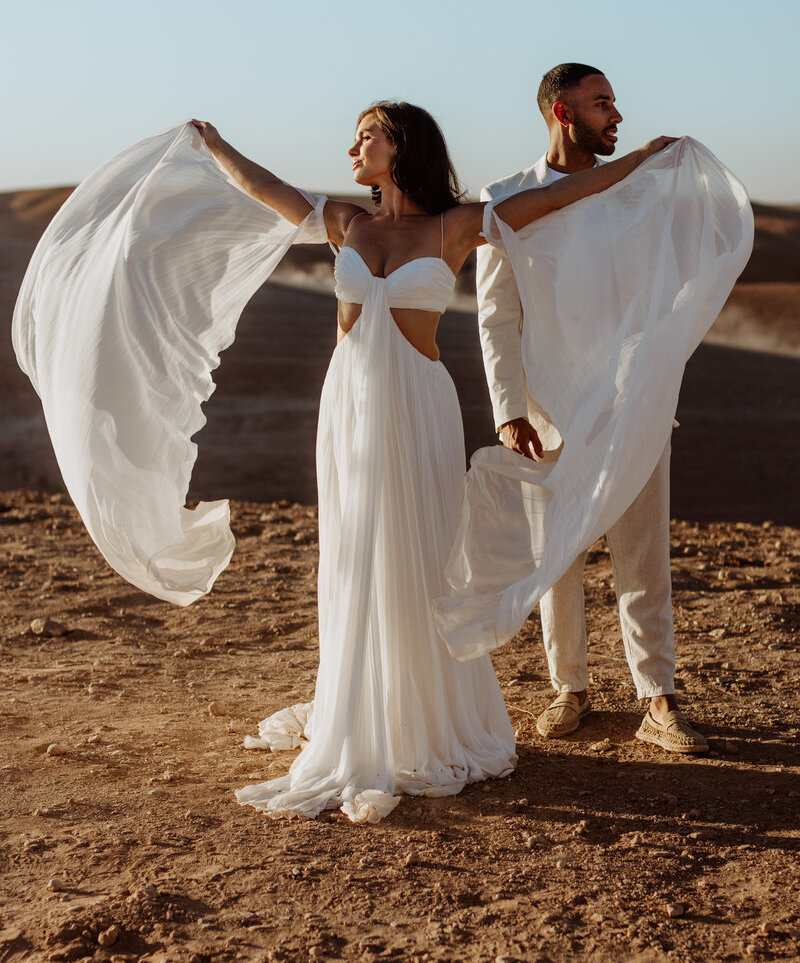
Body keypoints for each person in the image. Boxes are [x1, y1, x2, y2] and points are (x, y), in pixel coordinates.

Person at [191, 103, 671, 821]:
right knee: (357, 551)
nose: (353, 145)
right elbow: (268, 190)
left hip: (419, 408)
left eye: (367, 134)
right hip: (349, 408)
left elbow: (556, 197)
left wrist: (637, 162)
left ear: (403, 145)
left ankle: (428, 720)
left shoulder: (455, 226)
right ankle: (363, 707)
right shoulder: (348, 224)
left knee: (420, 551)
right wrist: (216, 144)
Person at [475, 64, 708, 754]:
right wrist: (507, 406)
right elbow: (495, 313)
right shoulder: (507, 198)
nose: (618, 115)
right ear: (562, 112)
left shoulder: (638, 196)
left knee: (645, 553)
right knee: (559, 553)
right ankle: (569, 687)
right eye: (602, 103)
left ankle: (657, 697)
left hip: (633, 399)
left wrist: (659, 375)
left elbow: (668, 290)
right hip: (548, 407)